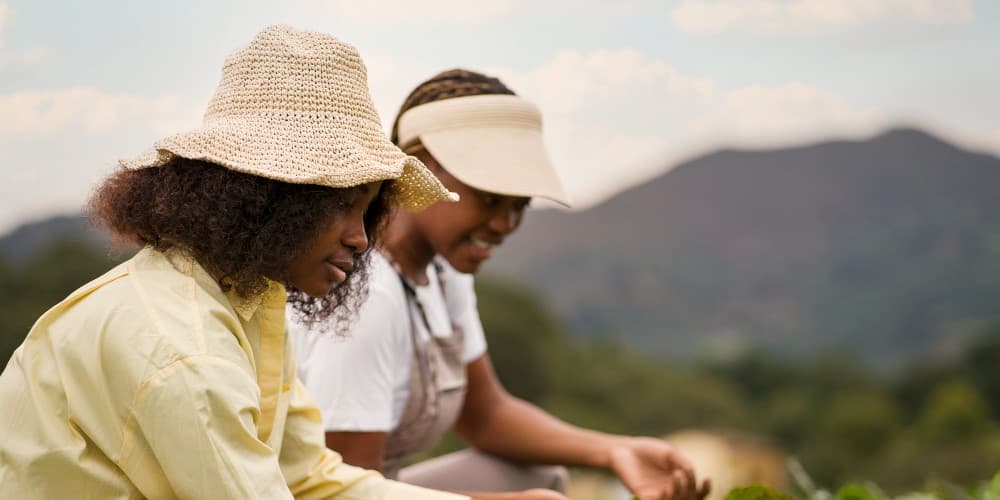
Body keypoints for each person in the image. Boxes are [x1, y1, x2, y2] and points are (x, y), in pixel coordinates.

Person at [0, 25, 468, 500]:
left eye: (366, 209)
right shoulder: (185, 349)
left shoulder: (249, 300)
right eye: (343, 204)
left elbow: (307, 476)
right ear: (270, 195)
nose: (361, 238)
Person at [290, 69, 711, 500]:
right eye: (490, 198)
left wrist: (617, 451)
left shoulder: (442, 274)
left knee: (538, 475)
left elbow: (485, 414)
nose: (505, 224)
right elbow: (343, 493)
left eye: (520, 205)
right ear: (424, 167)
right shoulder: (368, 299)